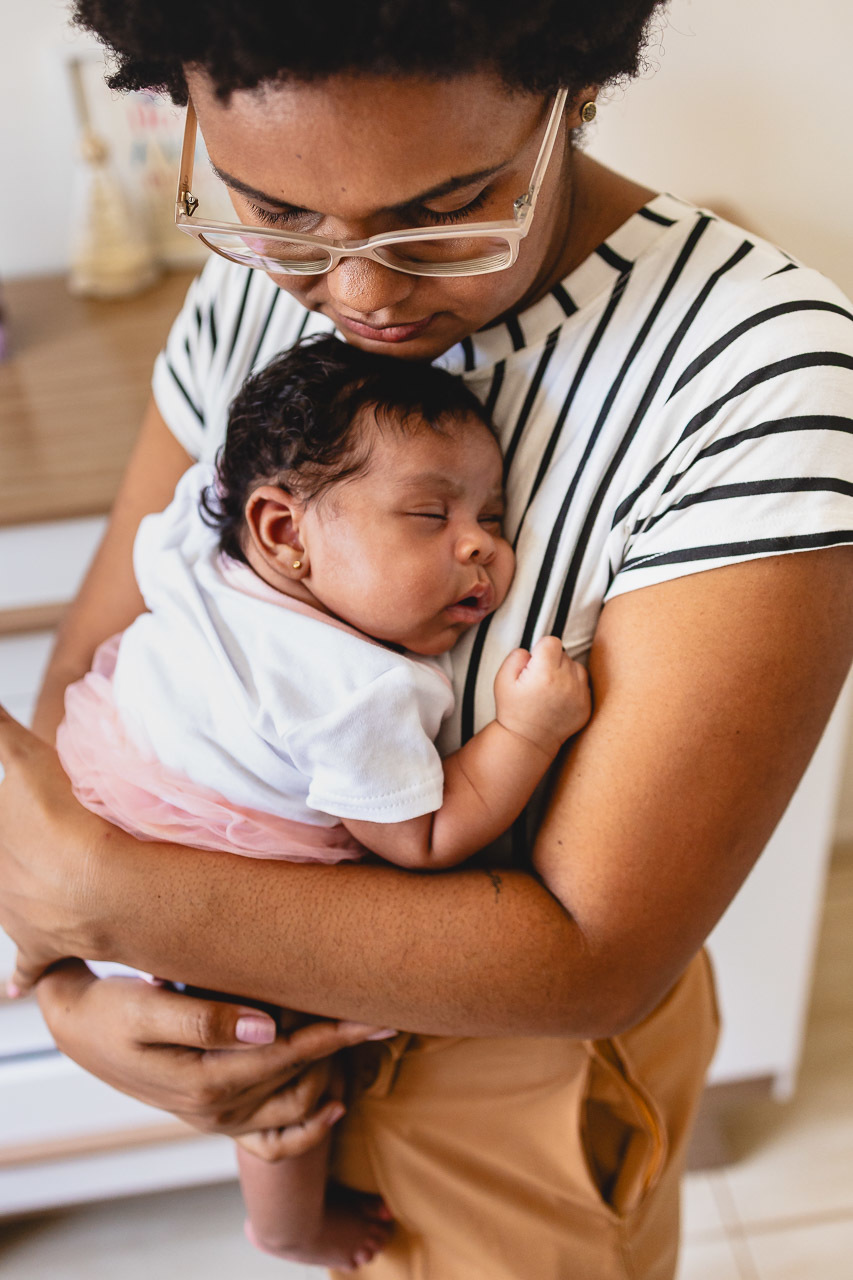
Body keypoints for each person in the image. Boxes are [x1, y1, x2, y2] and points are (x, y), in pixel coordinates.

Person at [1, 3, 852, 1276]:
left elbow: (587, 957)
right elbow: (109, 666)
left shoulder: (762, 380)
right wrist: (73, 982)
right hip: (250, 1011)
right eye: (277, 211)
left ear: (573, 96)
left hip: (508, 1088)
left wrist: (107, 898)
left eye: (446, 209)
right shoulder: (245, 280)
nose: (355, 292)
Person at [55, 333, 590, 1270]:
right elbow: (421, 838)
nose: (480, 545)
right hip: (214, 883)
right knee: (285, 1074)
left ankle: (30, 951)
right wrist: (527, 732)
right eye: (430, 514)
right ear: (283, 532)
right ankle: (290, 1224)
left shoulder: (193, 534)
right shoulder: (355, 690)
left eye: (493, 517)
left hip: (96, 777)